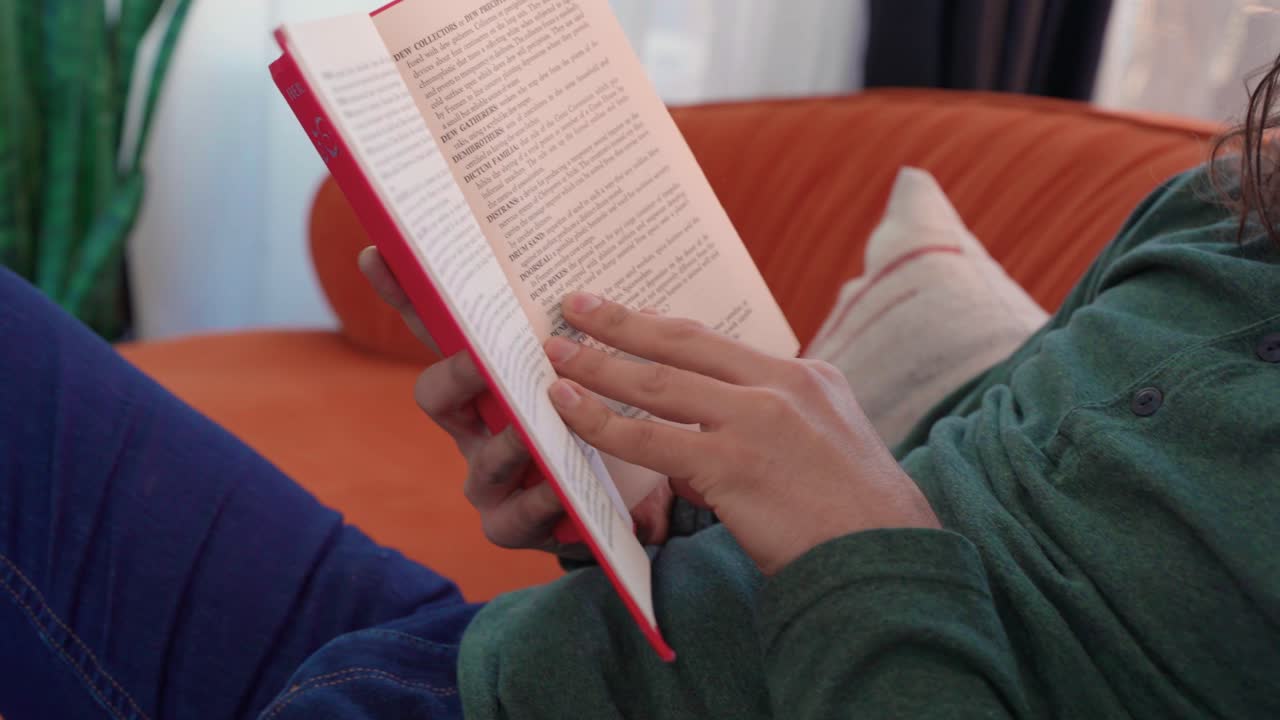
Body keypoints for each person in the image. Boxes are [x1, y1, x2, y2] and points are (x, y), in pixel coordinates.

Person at [2, 54, 1278, 720]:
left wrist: (851, 544)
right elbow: (952, 515)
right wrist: (642, 502)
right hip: (470, 659)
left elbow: (883, 554)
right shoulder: (1228, 214)